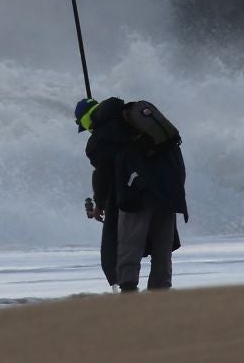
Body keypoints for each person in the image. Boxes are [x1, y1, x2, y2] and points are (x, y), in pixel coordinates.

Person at [75, 96, 188, 292]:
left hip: (138, 191)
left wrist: (100, 203)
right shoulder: (130, 118)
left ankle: (128, 290)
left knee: (130, 242)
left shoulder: (100, 138)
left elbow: (103, 173)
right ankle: (161, 291)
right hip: (171, 185)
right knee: (162, 243)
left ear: (85, 120)